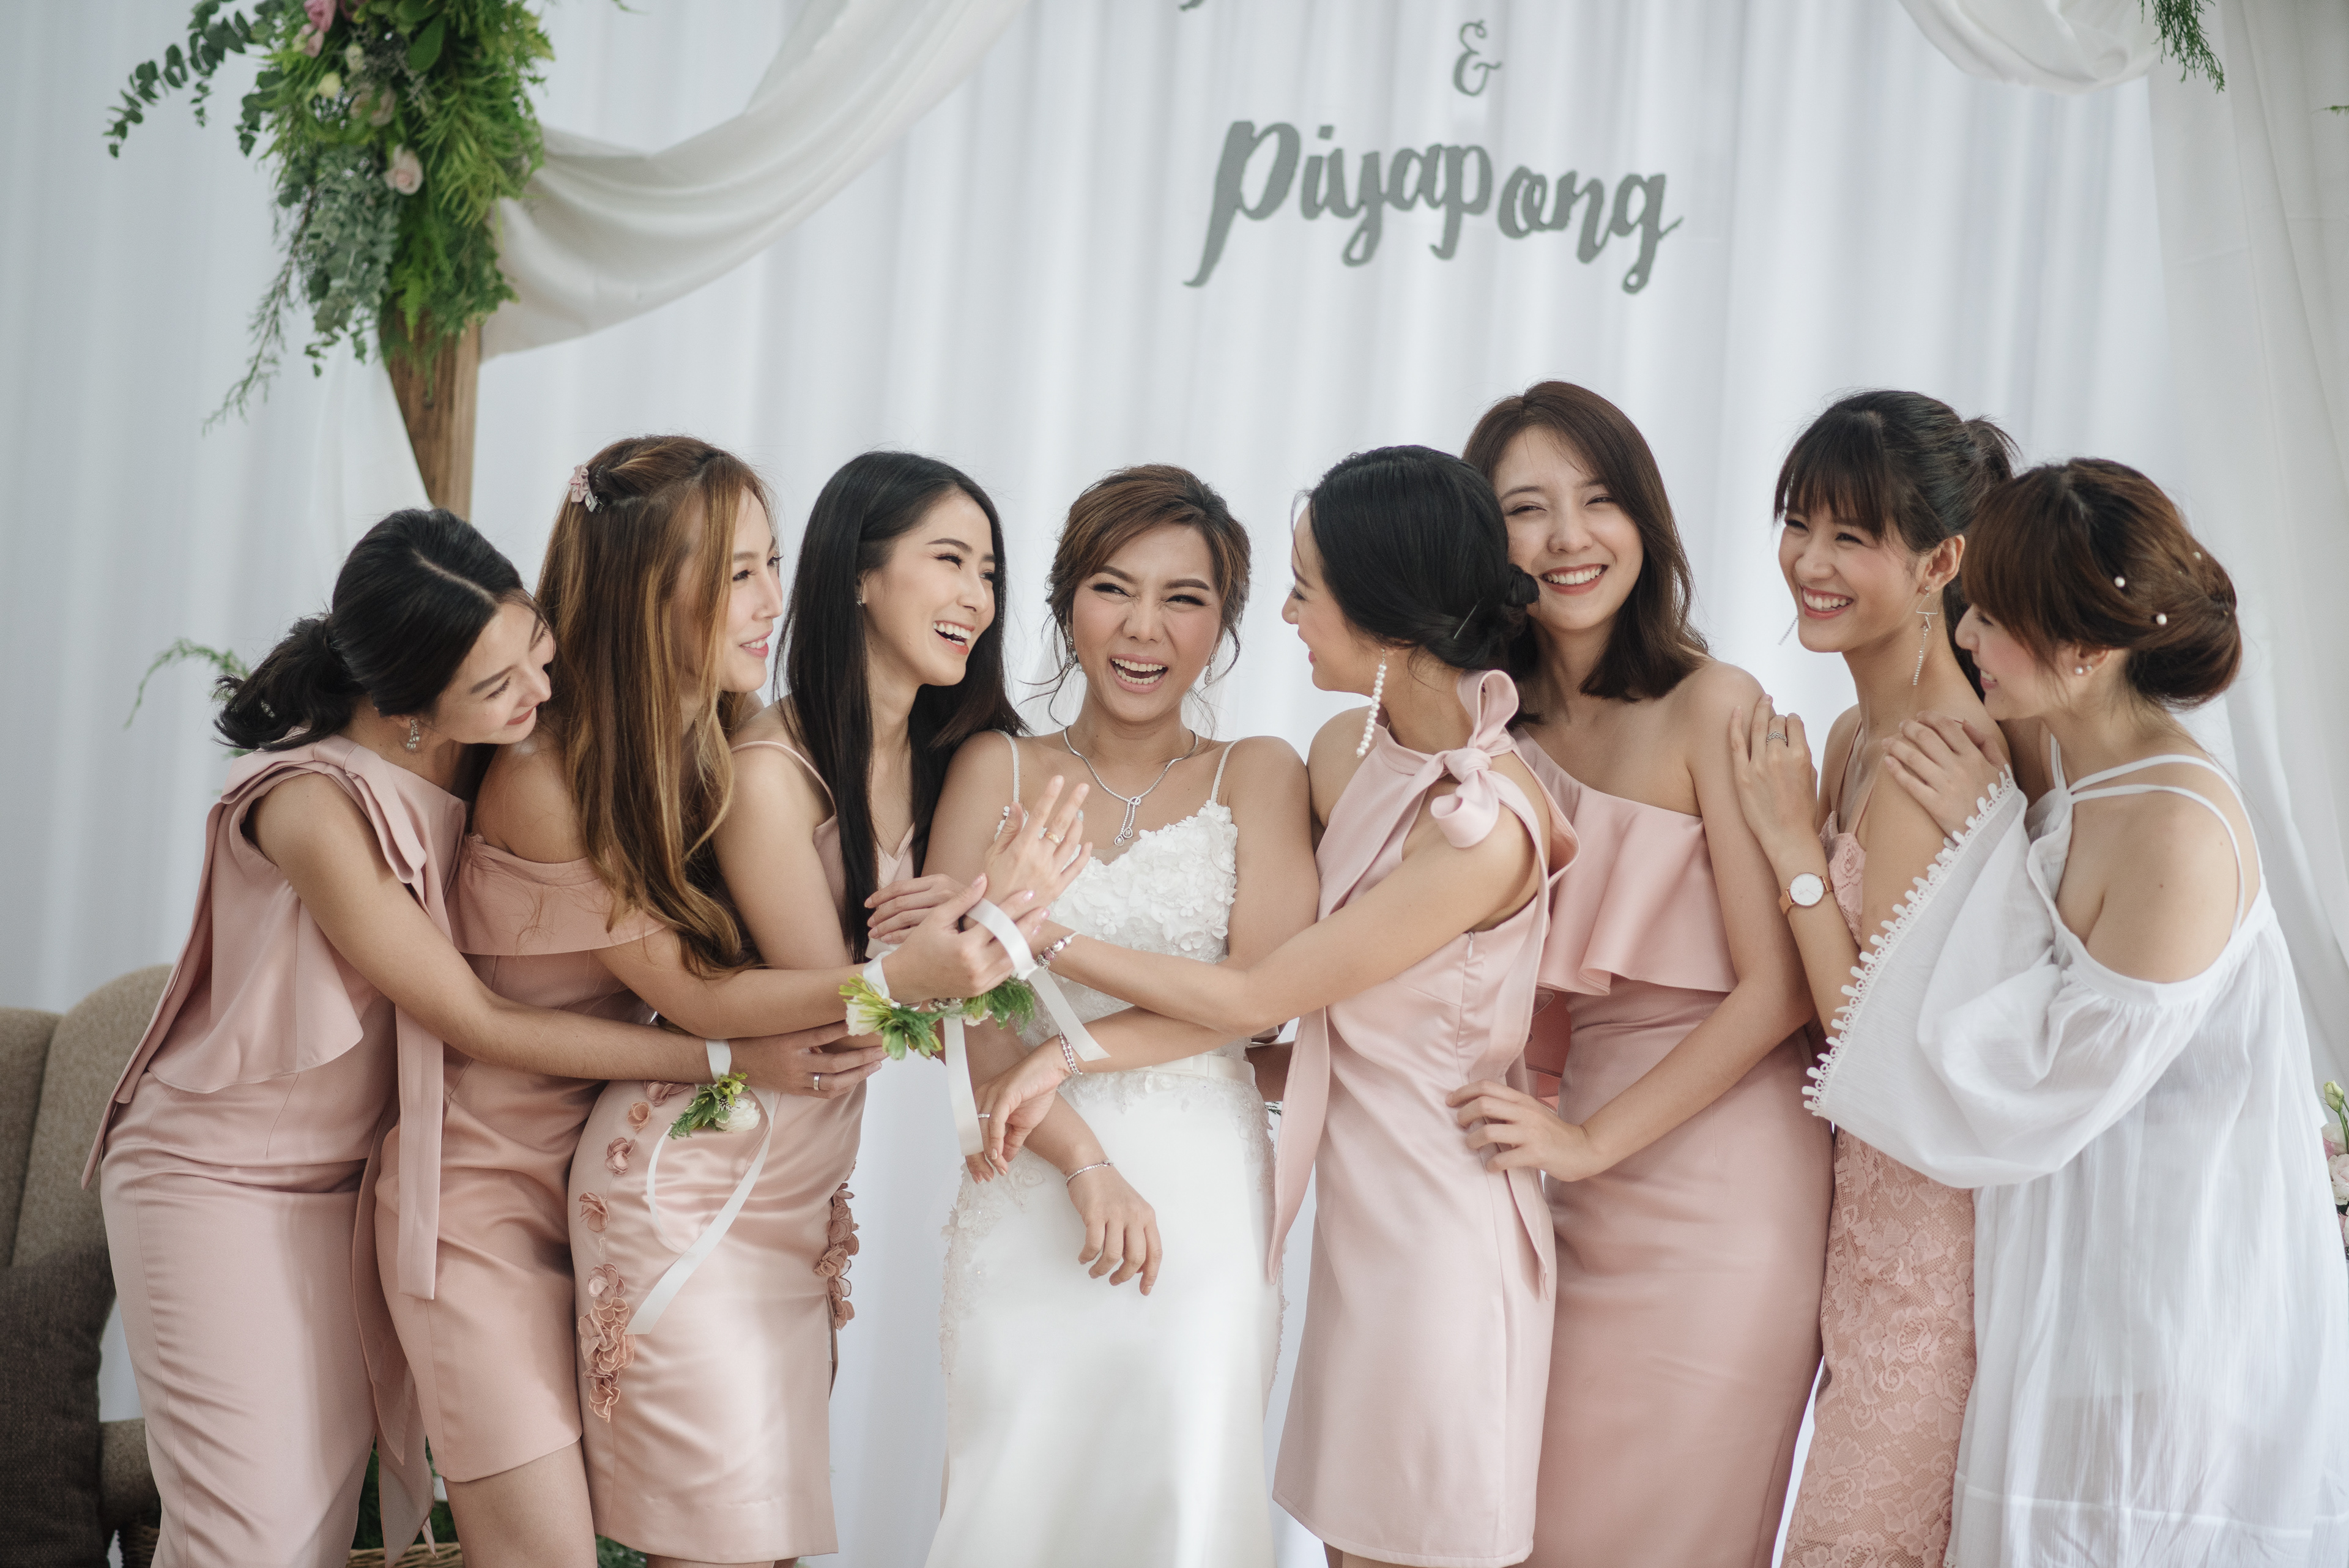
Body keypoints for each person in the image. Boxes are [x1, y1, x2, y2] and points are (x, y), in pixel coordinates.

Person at [90, 510, 834, 1567]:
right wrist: (723, 1057)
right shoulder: (310, 806)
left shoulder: (496, 761)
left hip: (365, 1183)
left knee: (307, 1530)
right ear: (406, 706)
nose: (537, 693)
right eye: (496, 685)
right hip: (219, 1176)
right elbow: (476, 1018)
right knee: (248, 1538)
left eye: (536, 651)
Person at [387, 442, 1067, 1568]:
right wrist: (932, 960)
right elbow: (703, 999)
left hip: (669, 1165)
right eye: (736, 574)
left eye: (771, 565)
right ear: (644, 591)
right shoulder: (558, 774)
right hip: (490, 1196)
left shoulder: (697, 742)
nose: (769, 601)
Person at [976, 445, 1568, 1568]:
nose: (1287, 615)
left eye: (1305, 589)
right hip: (1353, 1215)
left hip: (1441, 1231)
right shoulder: (1350, 750)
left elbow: (1260, 990)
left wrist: (1032, 938)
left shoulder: (1485, 830)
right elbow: (1328, 1025)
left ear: (1385, 612)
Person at [1800, 459, 2349, 1565]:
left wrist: (1988, 841)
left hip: (2167, 1288)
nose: (1966, 637)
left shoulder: (2178, 828)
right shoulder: (2068, 758)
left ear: (2089, 653)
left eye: (1994, 620)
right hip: (2067, 1273)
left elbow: (2033, 1089)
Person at [1435, 382, 1827, 1568]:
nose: (1569, 537)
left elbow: (1780, 991)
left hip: (1722, 1180)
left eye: (1599, 500)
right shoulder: (1490, 736)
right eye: (1527, 508)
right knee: (1530, 1521)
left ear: (1645, 521)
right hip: (1560, 1169)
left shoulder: (1716, 704)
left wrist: (1592, 1142)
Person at [915, 466, 1316, 1567]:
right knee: (1014, 1493)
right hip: (1028, 1168)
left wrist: (1049, 984)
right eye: (1112, 588)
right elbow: (969, 1020)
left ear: (1224, 623)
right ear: (1064, 603)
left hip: (1204, 1191)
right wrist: (1086, 1162)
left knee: (1182, 1487)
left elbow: (1259, 995)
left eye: (1184, 598)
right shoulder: (994, 765)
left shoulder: (1260, 774)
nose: (1145, 629)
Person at [1723, 391, 2014, 1568]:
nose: (1809, 562)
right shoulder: (1853, 740)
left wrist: (1791, 847)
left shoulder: (1934, 754)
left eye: (1850, 536)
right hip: (1856, 1215)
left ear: (1941, 562)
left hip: (1925, 1237)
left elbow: (1871, 1038)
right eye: (1798, 524)